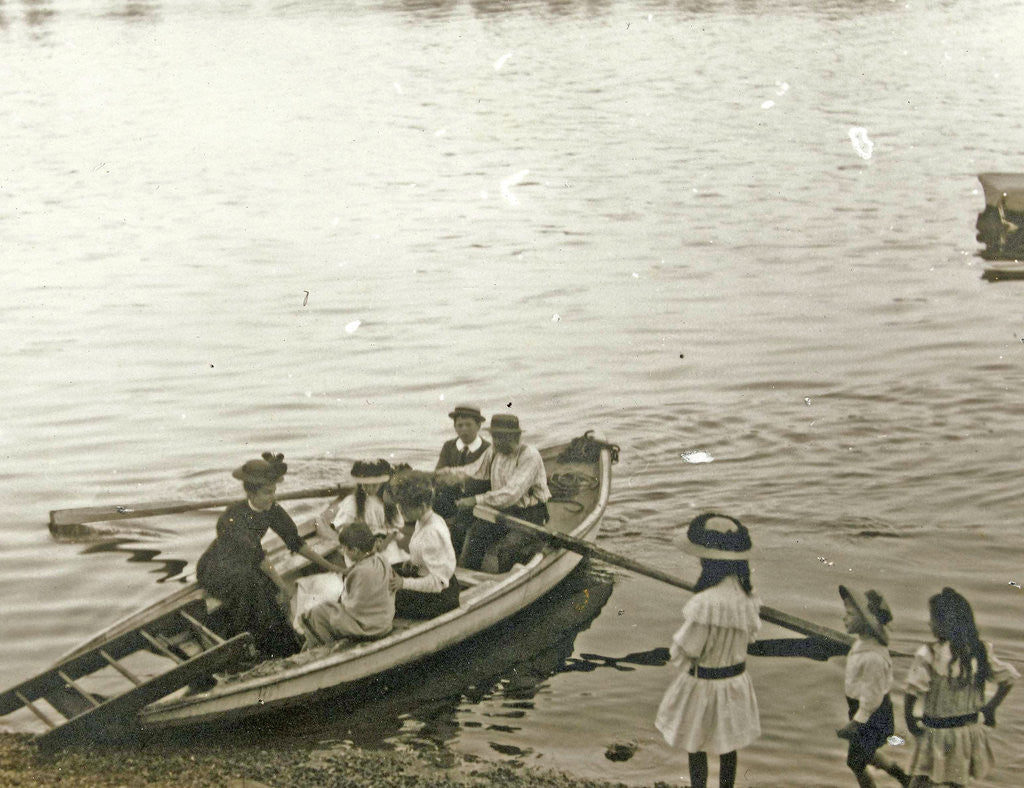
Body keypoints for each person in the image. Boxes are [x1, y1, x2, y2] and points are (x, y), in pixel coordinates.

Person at [196, 452, 343, 659]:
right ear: (251, 493)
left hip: (248, 565)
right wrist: (284, 588)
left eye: (274, 491)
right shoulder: (232, 517)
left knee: (266, 596)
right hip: (219, 568)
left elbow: (296, 543)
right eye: (267, 492)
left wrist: (330, 566)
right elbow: (260, 559)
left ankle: (280, 649)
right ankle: (243, 646)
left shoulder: (271, 508)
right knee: (255, 594)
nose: (272, 497)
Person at [655, 513, 761, 788]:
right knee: (729, 745)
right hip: (735, 681)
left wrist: (676, 652)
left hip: (705, 682)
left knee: (696, 742)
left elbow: (687, 648)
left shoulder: (705, 602)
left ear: (708, 561)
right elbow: (749, 638)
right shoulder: (747, 599)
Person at [903, 587, 1018, 788]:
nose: (929, 623)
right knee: (957, 782)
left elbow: (912, 691)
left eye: (933, 618)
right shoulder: (979, 651)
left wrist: (910, 720)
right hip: (966, 734)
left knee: (921, 781)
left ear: (946, 623)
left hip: (936, 734)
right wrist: (991, 707)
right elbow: (1008, 679)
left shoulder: (929, 653)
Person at [436, 413, 551, 573]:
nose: (496, 441)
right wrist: (449, 473)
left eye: (501, 437)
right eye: (494, 436)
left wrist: (475, 500)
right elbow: (475, 470)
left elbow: (511, 494)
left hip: (530, 515)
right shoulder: (494, 450)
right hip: (503, 510)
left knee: (508, 549)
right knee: (475, 535)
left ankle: (507, 584)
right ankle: (467, 580)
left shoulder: (529, 455)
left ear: (515, 436)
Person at [835, 586, 911, 788]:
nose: (844, 618)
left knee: (854, 761)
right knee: (863, 754)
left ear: (867, 623)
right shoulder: (863, 643)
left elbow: (873, 697)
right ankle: (900, 774)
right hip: (862, 710)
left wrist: (856, 723)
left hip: (872, 714)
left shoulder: (873, 657)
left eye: (850, 614)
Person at [300, 521, 395, 648]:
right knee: (330, 608)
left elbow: (352, 607)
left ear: (354, 551)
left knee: (317, 613)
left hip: (369, 628)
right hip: (384, 622)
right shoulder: (381, 559)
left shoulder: (358, 571)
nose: (343, 551)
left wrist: (336, 604)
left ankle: (328, 647)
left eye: (345, 548)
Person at [387, 470, 459, 619]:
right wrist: (412, 562)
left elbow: (439, 582)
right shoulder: (425, 520)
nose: (400, 510)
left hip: (440, 596)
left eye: (406, 506)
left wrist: (403, 583)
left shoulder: (432, 532)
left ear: (423, 505)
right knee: (387, 574)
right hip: (426, 577)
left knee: (384, 595)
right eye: (400, 505)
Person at [314, 459, 408, 566]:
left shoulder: (387, 501)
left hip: (384, 545)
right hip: (360, 548)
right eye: (365, 485)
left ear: (382, 483)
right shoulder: (352, 502)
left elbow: (394, 529)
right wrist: (367, 545)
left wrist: (384, 544)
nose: (369, 488)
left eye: (374, 485)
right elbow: (344, 531)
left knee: (393, 562)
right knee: (372, 565)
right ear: (359, 484)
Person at [433, 404, 491, 552]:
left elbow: (486, 482)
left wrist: (463, 481)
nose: (463, 429)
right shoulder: (449, 446)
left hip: (473, 502)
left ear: (478, 425)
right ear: (454, 427)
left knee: (460, 526)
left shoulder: (487, 449)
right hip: (449, 499)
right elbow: (438, 475)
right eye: (459, 425)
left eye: (468, 425)